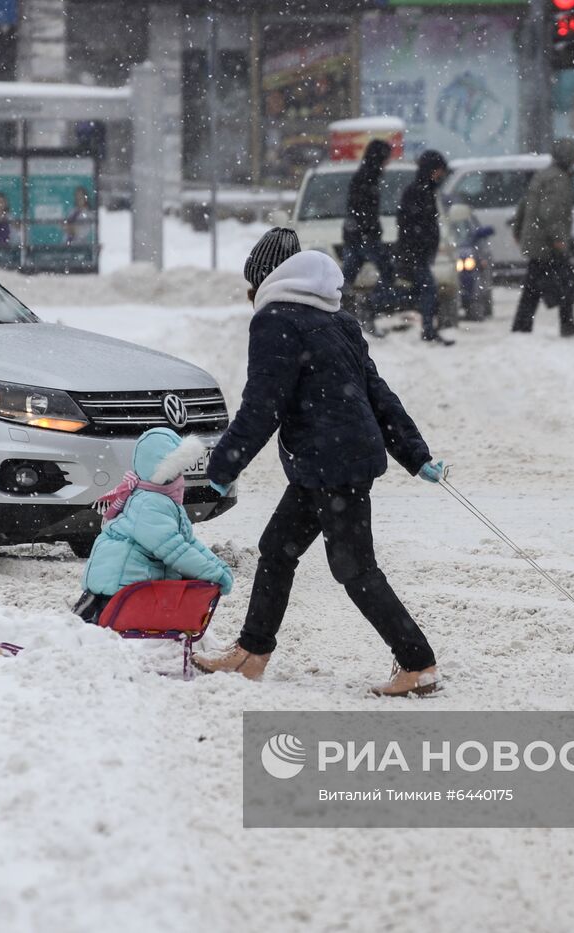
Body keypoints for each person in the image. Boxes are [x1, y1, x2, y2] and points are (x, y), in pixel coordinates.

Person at [193, 230, 447, 697]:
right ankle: (252, 653)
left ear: (264, 280)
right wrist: (417, 454)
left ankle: (417, 662)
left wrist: (224, 465)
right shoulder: (338, 319)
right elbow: (377, 394)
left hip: (330, 463)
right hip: (330, 460)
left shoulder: (276, 321)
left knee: (355, 569)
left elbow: (263, 404)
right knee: (277, 549)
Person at [73, 428, 233, 623]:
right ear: (163, 472)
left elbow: (188, 542)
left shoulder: (158, 498)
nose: (181, 477)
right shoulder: (150, 504)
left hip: (120, 587)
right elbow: (174, 550)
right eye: (177, 470)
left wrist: (219, 568)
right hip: (119, 591)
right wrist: (215, 575)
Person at [510, 138, 574, 337]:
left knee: (533, 287)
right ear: (569, 157)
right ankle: (567, 324)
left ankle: (521, 327)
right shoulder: (559, 180)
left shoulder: (543, 175)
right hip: (546, 243)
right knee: (568, 280)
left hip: (537, 239)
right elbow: (551, 213)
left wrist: (518, 230)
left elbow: (524, 204)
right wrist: (558, 239)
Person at [394, 149, 453, 346]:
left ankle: (428, 328)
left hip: (419, 252)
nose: (441, 175)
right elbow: (410, 224)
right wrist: (418, 246)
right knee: (426, 290)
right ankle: (428, 330)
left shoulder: (425, 191)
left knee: (420, 291)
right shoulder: (418, 192)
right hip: (416, 253)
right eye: (438, 171)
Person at [340, 139, 397, 338]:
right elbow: (363, 211)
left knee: (345, 279)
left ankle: (341, 314)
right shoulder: (368, 178)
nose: (388, 162)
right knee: (388, 272)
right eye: (387, 157)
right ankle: (368, 308)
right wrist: (370, 231)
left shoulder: (366, 176)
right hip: (364, 237)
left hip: (356, 236)